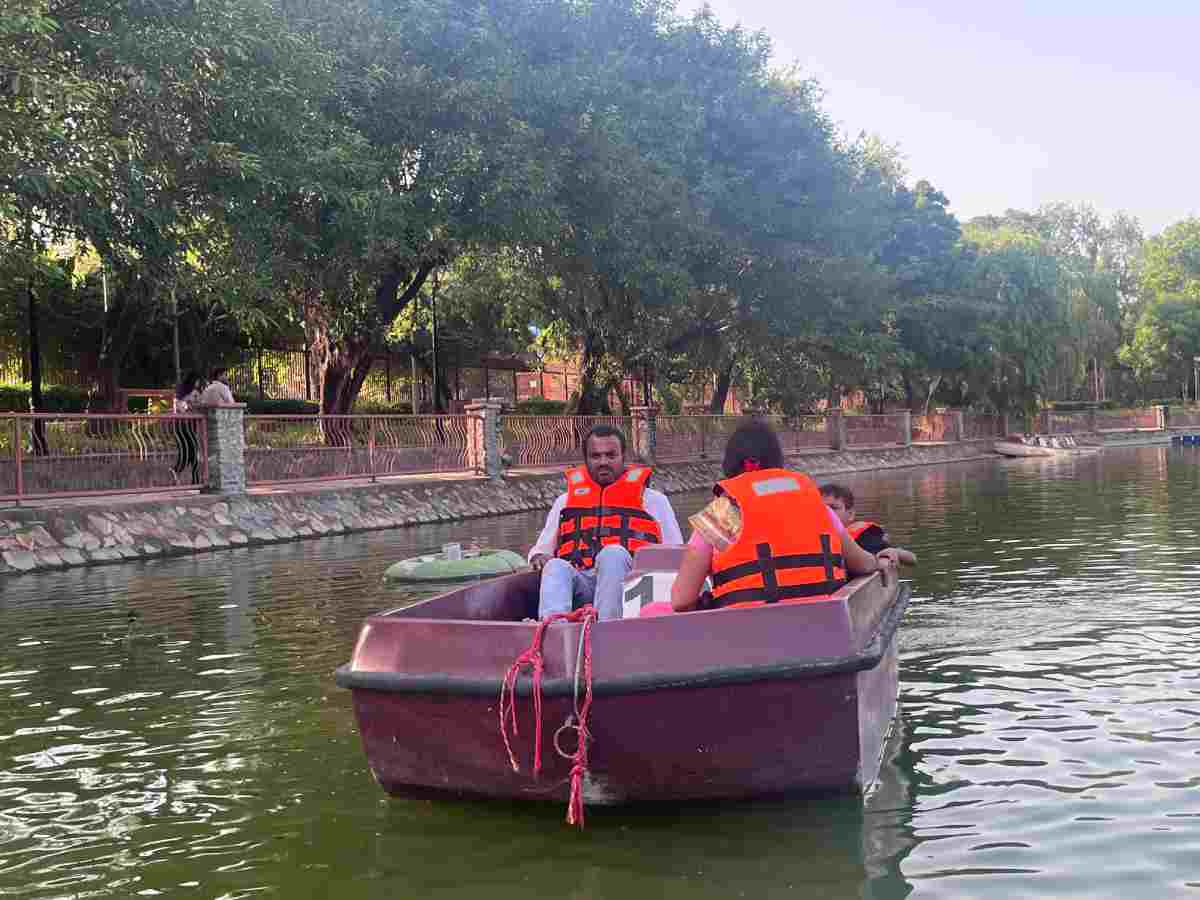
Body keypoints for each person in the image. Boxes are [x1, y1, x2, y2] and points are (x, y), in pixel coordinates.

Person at [671, 420, 893, 612]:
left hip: (742, 632)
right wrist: (879, 560)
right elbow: (862, 564)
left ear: (730, 464)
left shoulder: (724, 513)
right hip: (823, 625)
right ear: (777, 461)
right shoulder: (816, 505)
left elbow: (681, 600)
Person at [528, 424, 683, 621]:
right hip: (583, 583)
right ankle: (554, 634)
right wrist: (539, 557)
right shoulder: (564, 502)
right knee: (556, 566)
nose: (603, 462)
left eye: (611, 455)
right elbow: (540, 551)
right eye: (596, 456)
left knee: (612, 554)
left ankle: (607, 632)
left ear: (623, 456)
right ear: (586, 459)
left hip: (633, 587)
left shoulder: (654, 500)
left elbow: (678, 554)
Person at [820, 483, 917, 567]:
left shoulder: (865, 536)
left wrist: (896, 552)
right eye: (822, 508)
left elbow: (912, 559)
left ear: (850, 514)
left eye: (833, 508)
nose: (828, 513)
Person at [171, 371, 203, 485]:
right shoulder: (182, 393)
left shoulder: (195, 393)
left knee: (192, 452)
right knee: (187, 451)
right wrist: (190, 405)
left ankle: (193, 478)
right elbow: (181, 407)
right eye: (197, 380)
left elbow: (201, 405)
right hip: (183, 425)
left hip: (190, 424)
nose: (199, 383)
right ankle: (179, 472)